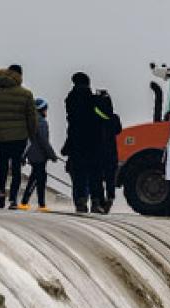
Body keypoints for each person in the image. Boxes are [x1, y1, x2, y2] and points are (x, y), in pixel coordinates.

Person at [0, 64, 37, 209]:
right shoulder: (26, 94)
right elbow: (32, 118)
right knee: (16, 167)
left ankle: (1, 194)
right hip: (20, 137)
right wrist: (33, 135)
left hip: (2, 136)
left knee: (3, 166)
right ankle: (13, 199)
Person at [61, 72, 101, 213]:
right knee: (94, 173)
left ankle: (80, 201)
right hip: (93, 142)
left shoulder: (70, 100)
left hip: (76, 141)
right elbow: (102, 118)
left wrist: (67, 145)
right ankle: (96, 202)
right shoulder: (94, 100)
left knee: (79, 174)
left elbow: (72, 123)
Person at [19, 98, 58, 212]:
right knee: (36, 179)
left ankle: (41, 204)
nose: (46, 112)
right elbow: (43, 141)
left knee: (40, 179)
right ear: (42, 110)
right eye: (46, 109)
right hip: (39, 156)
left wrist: (24, 156)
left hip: (32, 154)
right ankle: (25, 202)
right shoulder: (41, 123)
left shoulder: (30, 121)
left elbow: (27, 141)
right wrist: (52, 155)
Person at [93, 90, 122, 214]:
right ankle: (110, 197)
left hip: (98, 152)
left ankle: (100, 201)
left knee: (98, 177)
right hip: (111, 153)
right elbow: (118, 131)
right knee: (110, 177)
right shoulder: (114, 117)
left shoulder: (94, 116)